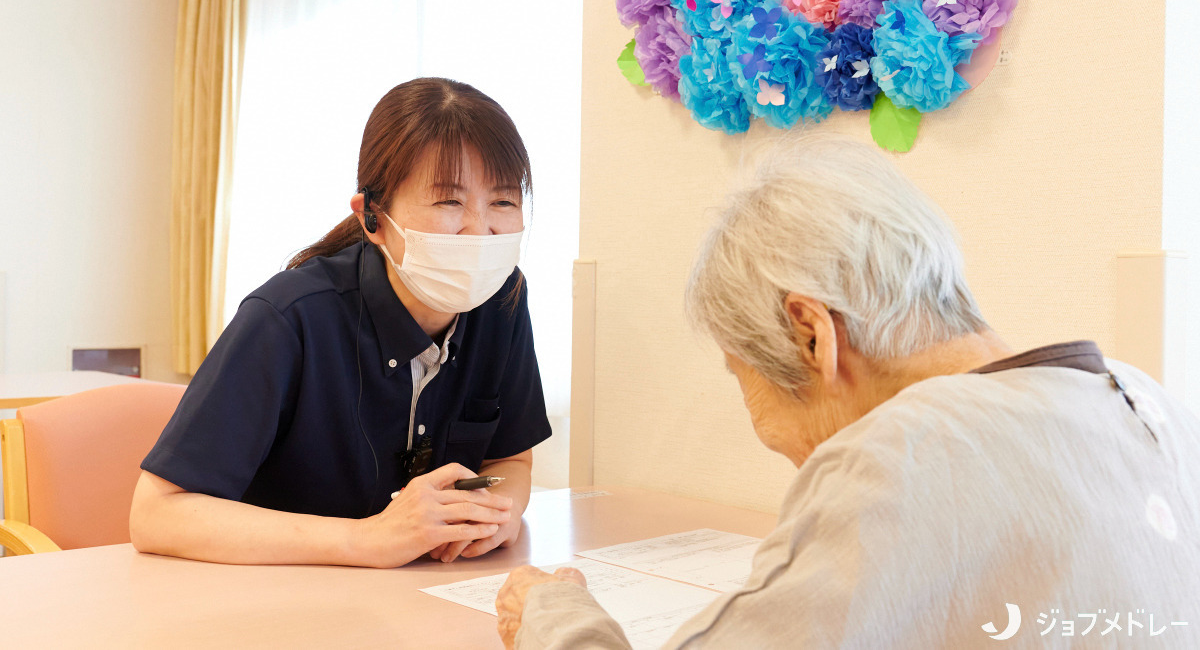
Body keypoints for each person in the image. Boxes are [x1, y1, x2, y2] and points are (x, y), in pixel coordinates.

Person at [496, 136, 1200, 648]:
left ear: (811, 332)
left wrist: (554, 615)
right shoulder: (1145, 399)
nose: (797, 466)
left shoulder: (904, 454)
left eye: (744, 376)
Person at [130, 78, 552, 568]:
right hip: (277, 605)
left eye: (502, 201)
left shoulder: (502, 300)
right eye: (448, 202)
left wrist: (499, 511)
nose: (480, 231)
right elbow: (156, 514)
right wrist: (366, 540)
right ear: (373, 217)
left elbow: (510, 460)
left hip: (421, 598)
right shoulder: (288, 318)